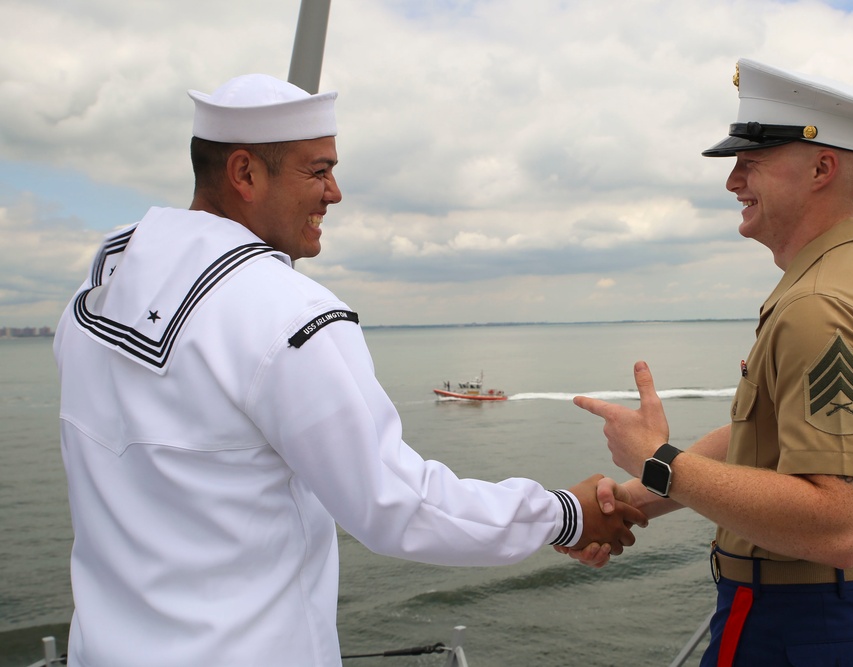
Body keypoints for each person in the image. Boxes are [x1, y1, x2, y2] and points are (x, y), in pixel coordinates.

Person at [53, 73, 644, 667]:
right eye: (318, 170)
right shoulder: (287, 313)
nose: (334, 193)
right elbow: (398, 505)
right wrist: (564, 514)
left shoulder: (101, 285)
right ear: (245, 174)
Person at [560, 58, 853, 666]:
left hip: (800, 628)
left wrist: (659, 462)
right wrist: (628, 496)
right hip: (839, 615)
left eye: (750, 163)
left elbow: (839, 526)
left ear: (821, 167)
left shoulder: (821, 307)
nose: (732, 181)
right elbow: (762, 439)